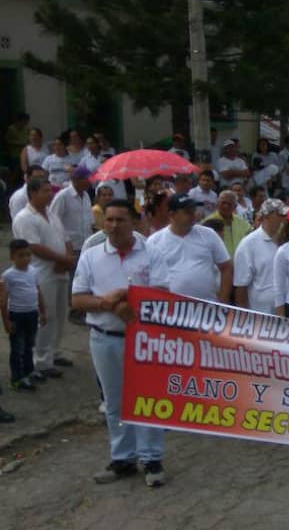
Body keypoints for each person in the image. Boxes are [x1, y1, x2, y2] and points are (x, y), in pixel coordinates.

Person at [71, 199, 170, 487]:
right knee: (114, 402)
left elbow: (162, 292)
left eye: (120, 220)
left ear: (135, 221)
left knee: (149, 398)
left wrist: (126, 293)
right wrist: (109, 304)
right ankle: (123, 458)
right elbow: (77, 299)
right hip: (105, 339)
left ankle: (152, 459)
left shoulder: (151, 253)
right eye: (109, 220)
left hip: (145, 339)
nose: (113, 226)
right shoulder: (91, 255)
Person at [12, 178, 74, 379]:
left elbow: (65, 239)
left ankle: (53, 353)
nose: (50, 194)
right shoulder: (24, 217)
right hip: (41, 273)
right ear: (32, 193)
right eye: (45, 191)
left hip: (60, 270)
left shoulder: (52, 214)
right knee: (45, 316)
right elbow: (33, 246)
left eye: (51, 190)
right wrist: (61, 259)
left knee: (60, 313)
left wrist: (68, 258)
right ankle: (40, 360)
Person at [146, 194, 232, 303]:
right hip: (171, 309)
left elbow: (226, 267)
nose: (193, 215)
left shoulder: (208, 234)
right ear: (172, 214)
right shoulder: (154, 241)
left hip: (207, 306)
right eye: (187, 212)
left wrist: (223, 301)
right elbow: (148, 276)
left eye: (193, 210)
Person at [1, 239, 47, 391]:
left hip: (32, 314)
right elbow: (3, 300)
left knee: (29, 345)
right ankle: (17, 378)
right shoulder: (8, 276)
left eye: (28, 255)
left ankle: (29, 372)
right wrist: (6, 321)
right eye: (21, 256)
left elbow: (37, 291)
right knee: (18, 348)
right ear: (12, 257)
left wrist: (42, 311)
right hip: (17, 316)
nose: (26, 259)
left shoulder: (33, 271)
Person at [233, 199, 287, 314]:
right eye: (280, 215)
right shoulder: (248, 244)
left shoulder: (288, 240)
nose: (284, 218)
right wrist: (243, 316)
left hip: (288, 309)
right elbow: (240, 286)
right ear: (267, 216)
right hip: (261, 314)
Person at [204, 190, 252, 257]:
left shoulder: (243, 223)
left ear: (235, 206)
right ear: (217, 203)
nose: (225, 206)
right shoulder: (207, 223)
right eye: (223, 203)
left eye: (229, 204)